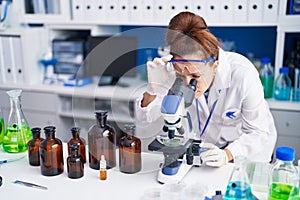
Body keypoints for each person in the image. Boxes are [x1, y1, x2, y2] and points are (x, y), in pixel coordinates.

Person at [135, 11, 277, 167]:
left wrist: (227, 154)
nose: (187, 83)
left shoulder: (243, 74)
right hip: (204, 153)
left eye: (195, 76)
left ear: (214, 66)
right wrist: (152, 88)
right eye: (181, 76)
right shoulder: (174, 69)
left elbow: (259, 133)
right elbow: (144, 120)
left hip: (242, 155)